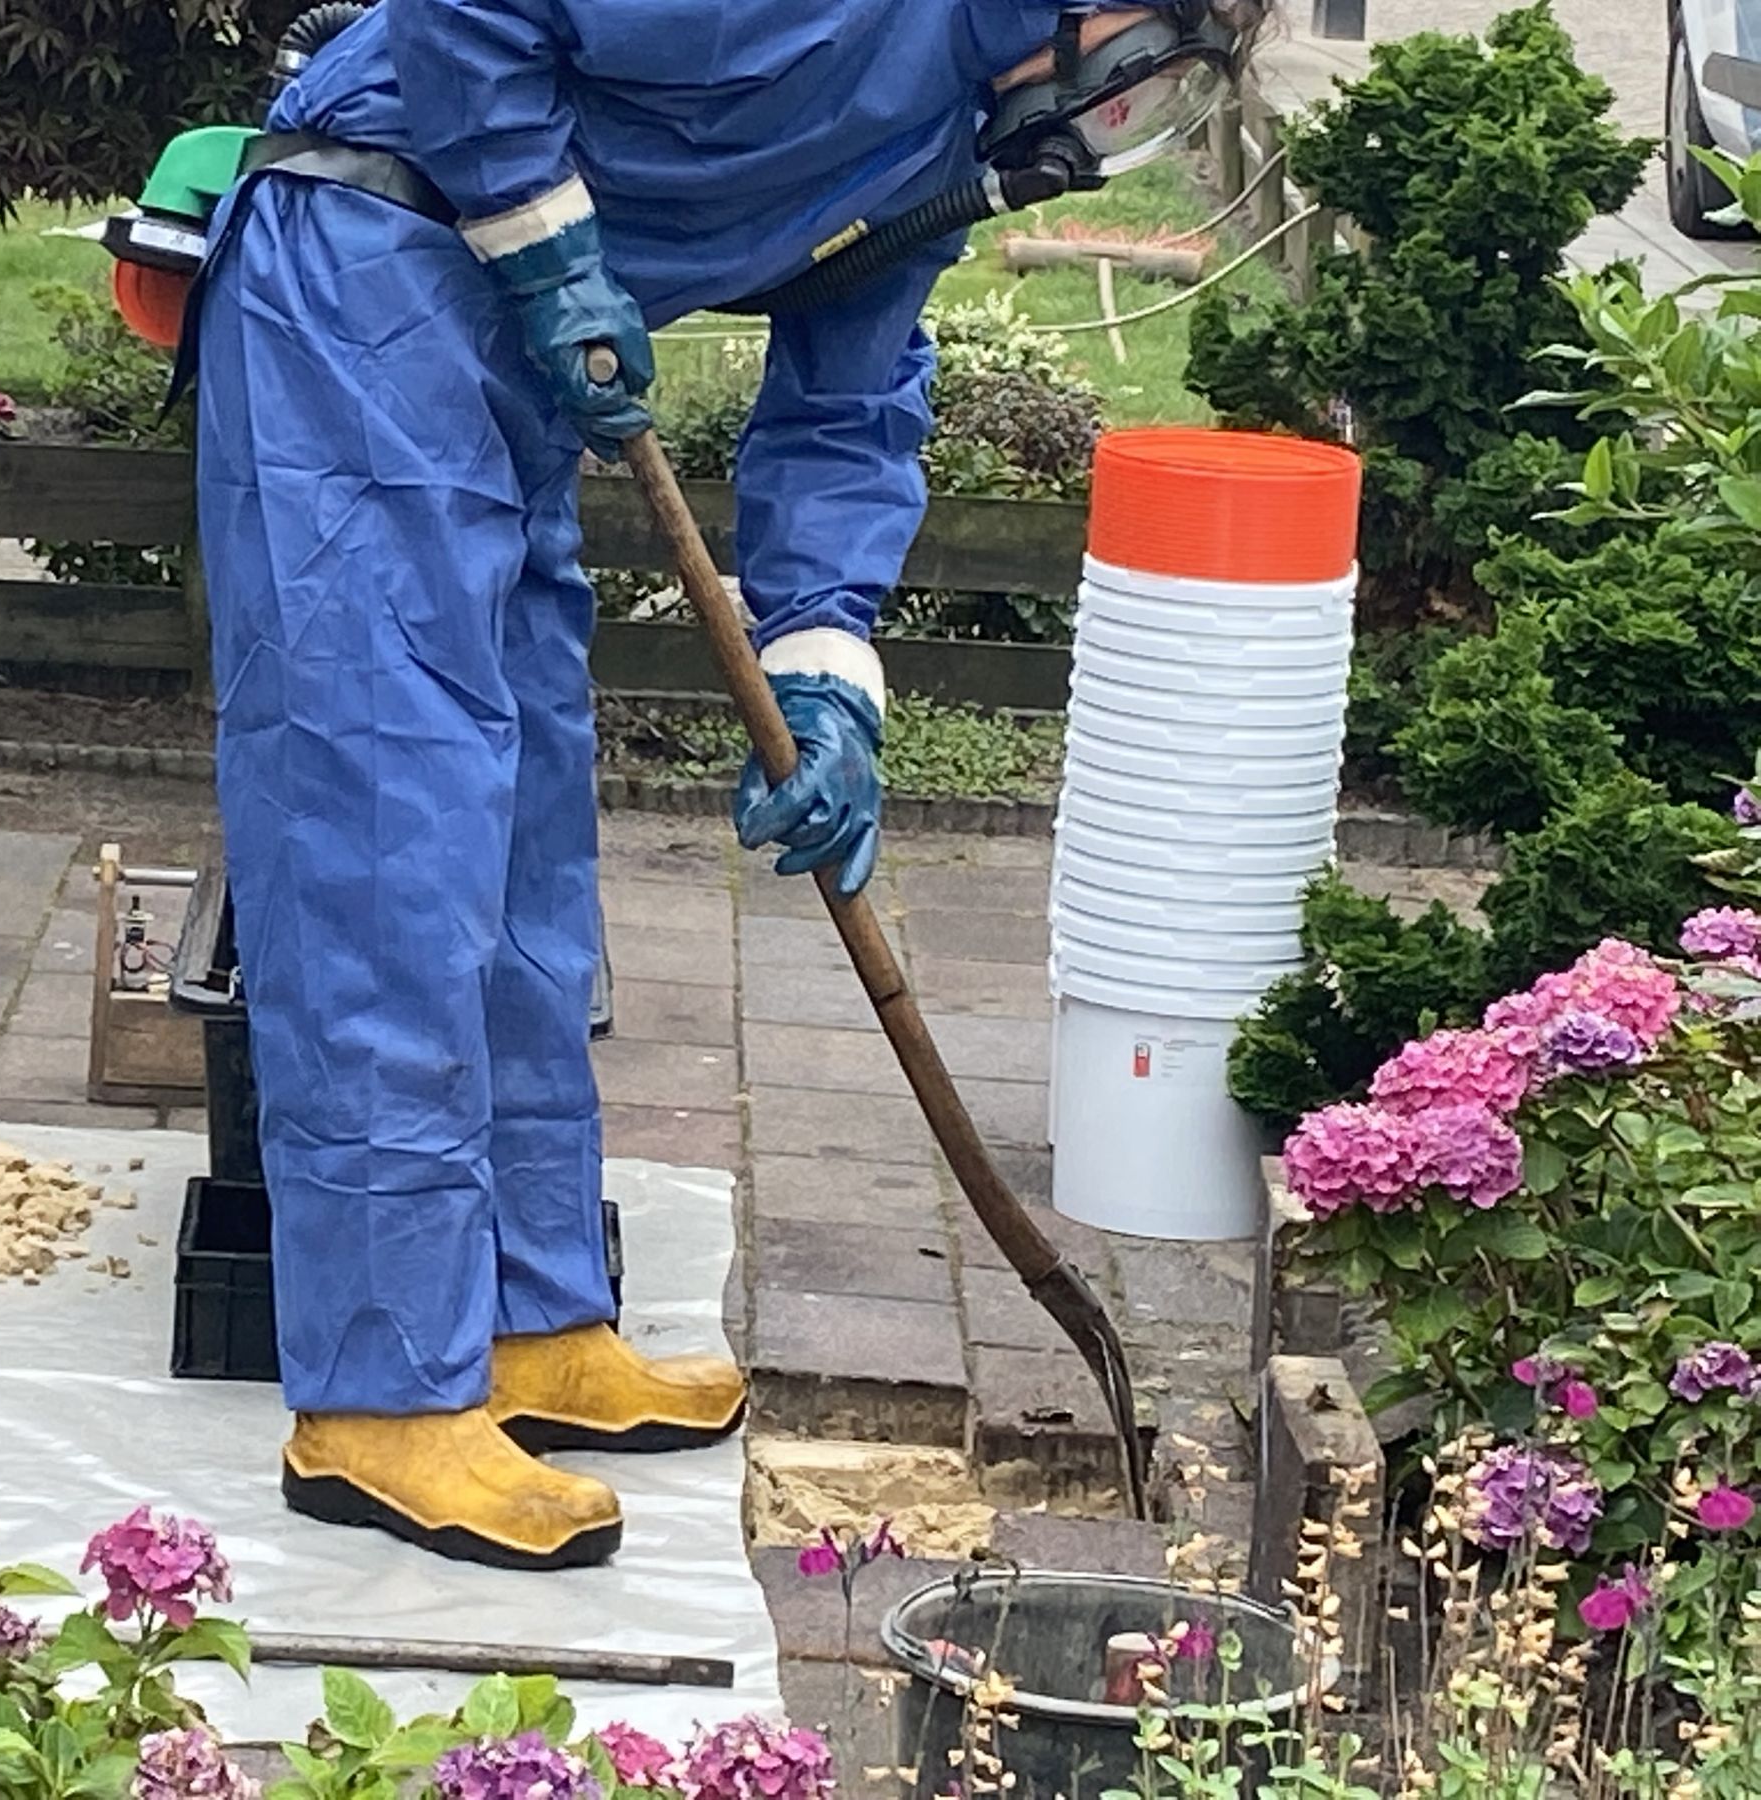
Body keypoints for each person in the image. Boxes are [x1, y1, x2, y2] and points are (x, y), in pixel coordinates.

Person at [193, 0, 1253, 1570]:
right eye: (1146, 59)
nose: (1116, 110)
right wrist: (551, 246)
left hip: (505, 367)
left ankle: (526, 1315)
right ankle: (378, 1399)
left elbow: (850, 404)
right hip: (362, 277)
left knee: (523, 860)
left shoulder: (941, 140)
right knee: (384, 844)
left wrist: (828, 681)